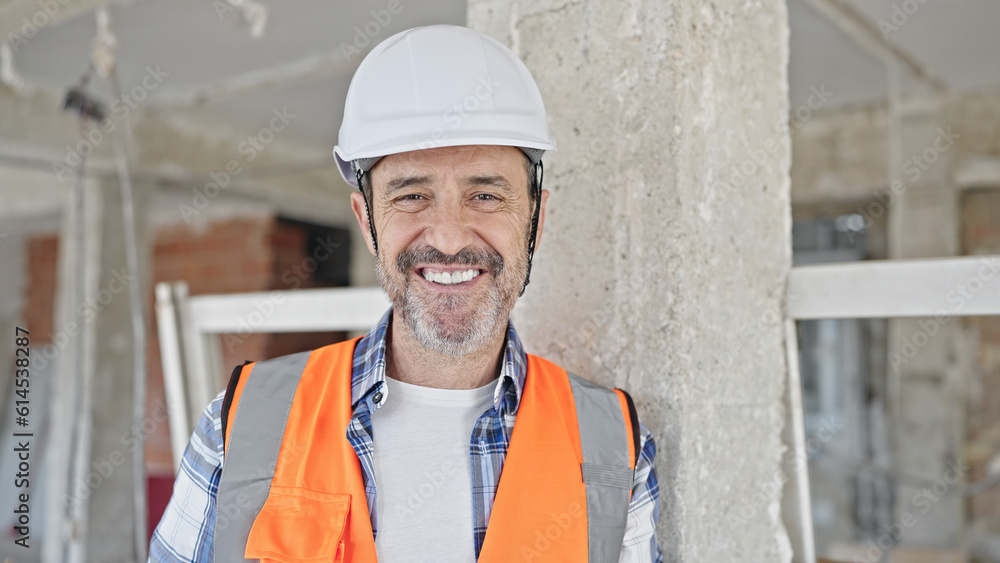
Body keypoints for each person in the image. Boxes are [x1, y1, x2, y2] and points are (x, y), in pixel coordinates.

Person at [149, 24, 661, 562]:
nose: (448, 236)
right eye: (412, 195)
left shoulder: (614, 451)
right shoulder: (241, 428)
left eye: (485, 194)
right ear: (367, 223)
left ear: (535, 218)